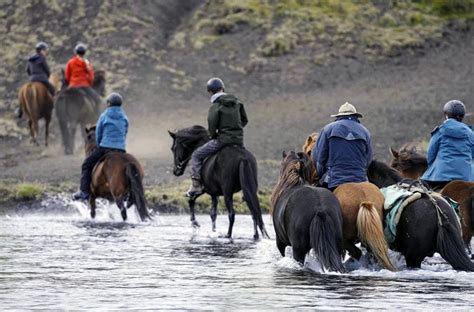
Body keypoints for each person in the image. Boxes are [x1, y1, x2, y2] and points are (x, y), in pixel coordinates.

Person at [186, 77, 248, 197]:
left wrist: (215, 136)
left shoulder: (215, 107)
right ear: (223, 88)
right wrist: (235, 131)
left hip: (222, 141)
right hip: (239, 141)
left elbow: (212, 127)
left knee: (196, 155)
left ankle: (196, 185)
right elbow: (244, 120)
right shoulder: (238, 103)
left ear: (210, 92)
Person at [73, 93, 128, 201]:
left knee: (86, 165)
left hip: (105, 148)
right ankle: (128, 192)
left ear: (108, 104)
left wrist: (99, 144)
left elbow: (98, 133)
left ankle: (84, 192)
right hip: (121, 149)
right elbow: (125, 132)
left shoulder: (104, 116)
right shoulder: (125, 117)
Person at [312, 102, 372, 190]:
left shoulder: (328, 129)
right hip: (360, 179)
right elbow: (368, 159)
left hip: (334, 179)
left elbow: (319, 159)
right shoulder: (365, 131)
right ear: (356, 116)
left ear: (338, 116)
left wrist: (321, 176)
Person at [421, 100, 473, 190]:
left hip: (441, 176)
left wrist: (431, 168)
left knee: (421, 191)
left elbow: (431, 154)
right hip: (466, 176)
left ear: (446, 115)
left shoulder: (440, 131)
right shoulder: (470, 133)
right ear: (462, 116)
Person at [16, 42, 55, 118]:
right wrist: (47, 76)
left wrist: (32, 76)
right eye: (45, 50)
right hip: (42, 79)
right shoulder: (42, 58)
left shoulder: (30, 59)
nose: (46, 52)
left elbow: (27, 70)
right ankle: (50, 107)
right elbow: (47, 69)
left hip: (32, 79)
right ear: (41, 51)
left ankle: (20, 109)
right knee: (52, 89)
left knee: (22, 93)